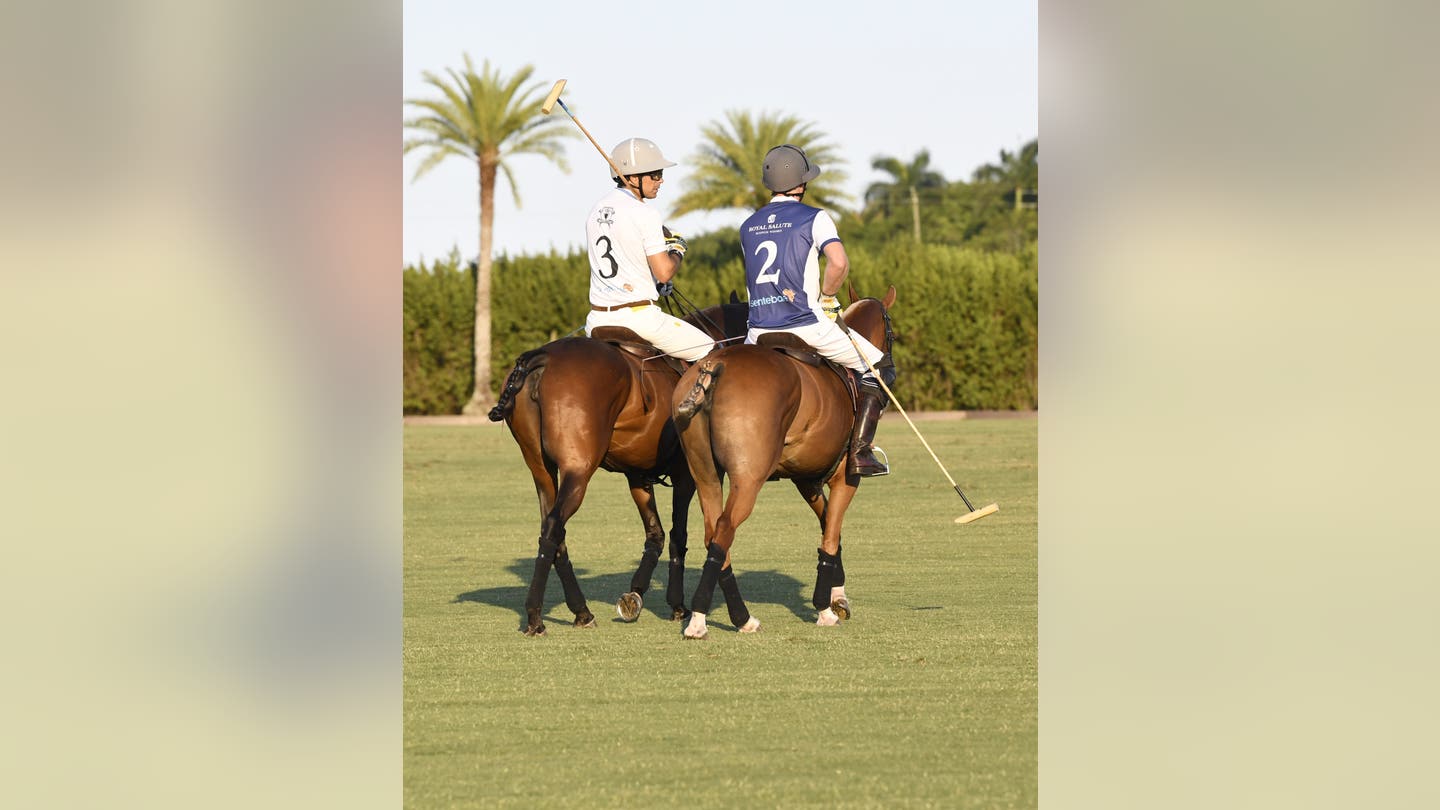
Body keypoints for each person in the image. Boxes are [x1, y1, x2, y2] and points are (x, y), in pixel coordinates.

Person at [740, 144, 893, 476]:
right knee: (880, 368)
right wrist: (827, 297)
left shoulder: (748, 225)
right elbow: (838, 262)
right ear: (801, 183)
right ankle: (860, 453)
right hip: (805, 324)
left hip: (757, 332)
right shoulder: (814, 217)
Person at [584, 137, 715, 362]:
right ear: (633, 178)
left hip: (597, 320)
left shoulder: (596, 210)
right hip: (640, 318)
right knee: (713, 352)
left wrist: (653, 285)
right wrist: (677, 250)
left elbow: (625, 260)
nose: (661, 181)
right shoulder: (646, 213)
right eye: (655, 175)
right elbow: (664, 271)